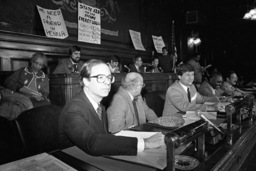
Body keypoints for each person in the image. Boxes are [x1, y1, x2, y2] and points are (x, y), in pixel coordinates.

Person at [58, 59, 164, 156]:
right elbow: (92, 143)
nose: (107, 82)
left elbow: (104, 138)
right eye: (100, 77)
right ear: (86, 81)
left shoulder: (100, 106)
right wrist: (144, 143)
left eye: (109, 77)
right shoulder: (74, 109)